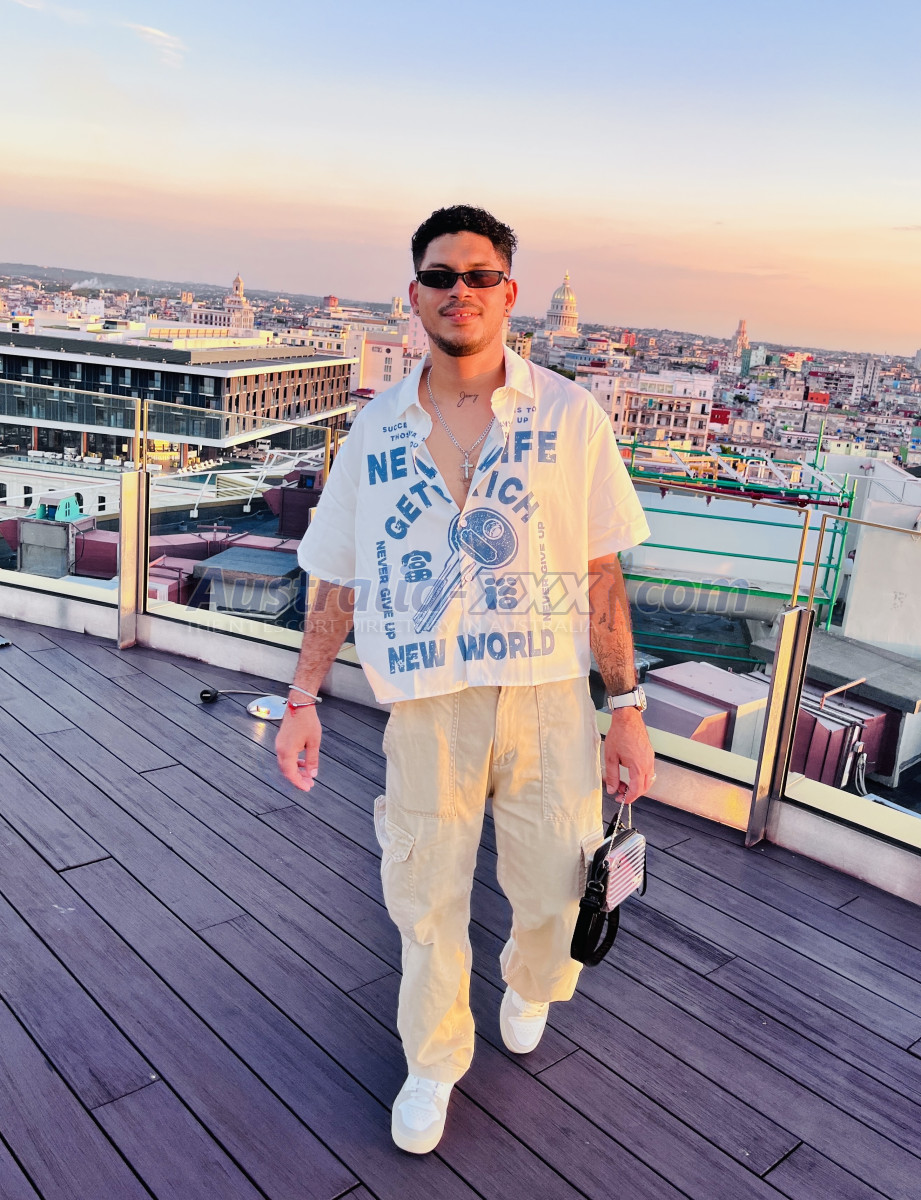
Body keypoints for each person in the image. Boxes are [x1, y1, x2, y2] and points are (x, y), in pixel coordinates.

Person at [276, 205, 654, 1154]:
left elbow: (600, 573)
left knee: (557, 889)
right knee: (424, 896)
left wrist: (627, 708)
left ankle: (531, 981)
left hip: (546, 695)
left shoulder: (569, 415)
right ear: (414, 295)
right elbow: (338, 577)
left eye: (479, 276)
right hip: (428, 698)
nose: (460, 292)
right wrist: (302, 697)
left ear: (509, 293)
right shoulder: (375, 431)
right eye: (441, 276)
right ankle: (434, 1058)